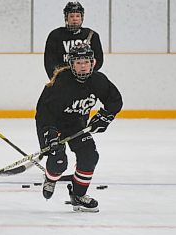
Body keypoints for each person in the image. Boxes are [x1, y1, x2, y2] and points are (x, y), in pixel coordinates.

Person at [35, 43, 122, 212]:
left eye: (86, 62)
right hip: (52, 124)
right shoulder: (61, 82)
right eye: (79, 62)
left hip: (76, 124)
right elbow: (44, 112)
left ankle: (78, 195)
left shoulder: (98, 80)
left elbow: (114, 100)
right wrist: (50, 134)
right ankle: (51, 178)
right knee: (59, 162)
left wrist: (105, 117)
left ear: (93, 63)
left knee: (89, 156)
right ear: (71, 63)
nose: (83, 66)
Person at [44, 1, 104, 79]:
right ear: (66, 18)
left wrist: (88, 76)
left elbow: (98, 60)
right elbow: (49, 62)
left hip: (86, 79)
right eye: (71, 16)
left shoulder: (92, 35)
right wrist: (56, 79)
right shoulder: (55, 36)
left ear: (82, 18)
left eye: (78, 16)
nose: (75, 19)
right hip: (63, 79)